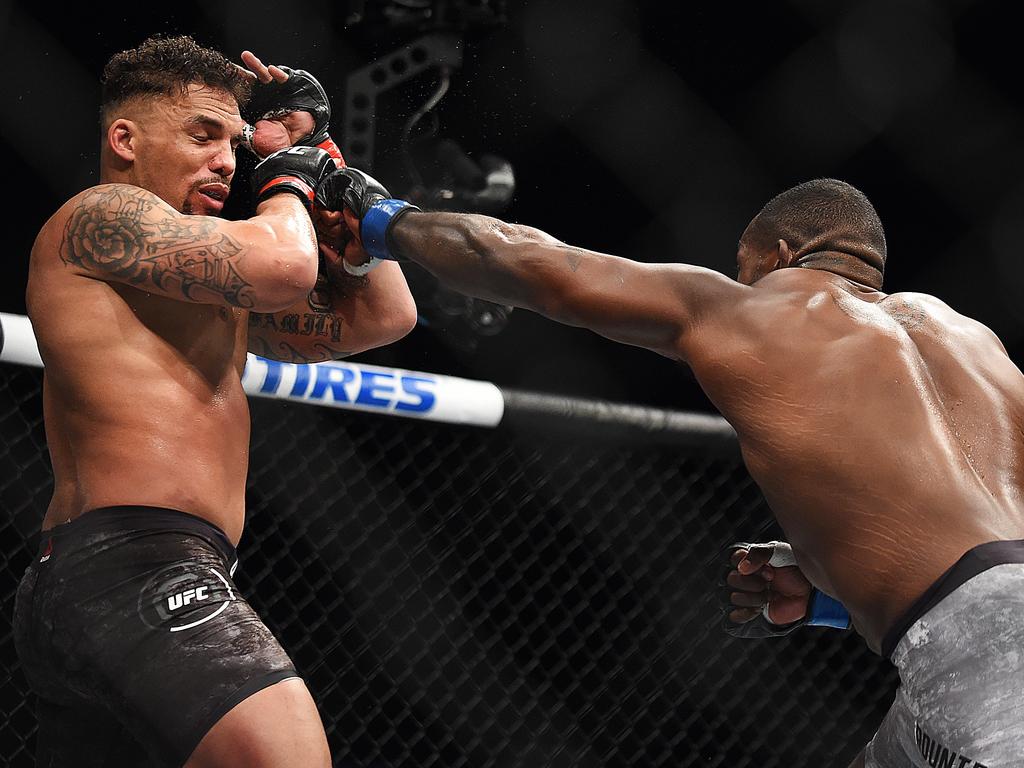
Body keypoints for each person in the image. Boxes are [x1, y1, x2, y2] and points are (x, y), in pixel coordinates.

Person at [319, 169, 1024, 766]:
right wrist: (830, 598)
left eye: (747, 270)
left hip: (978, 671)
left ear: (777, 255)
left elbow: (539, 266)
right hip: (967, 651)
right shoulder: (976, 343)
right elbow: (991, 574)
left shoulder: (753, 309)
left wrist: (379, 216)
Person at [12, 36, 416, 768]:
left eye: (235, 141)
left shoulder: (202, 280)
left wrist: (324, 154)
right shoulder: (99, 219)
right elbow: (287, 263)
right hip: (130, 564)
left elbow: (384, 317)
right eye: (203, 135)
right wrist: (289, 180)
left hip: (126, 577)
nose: (229, 161)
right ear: (125, 139)